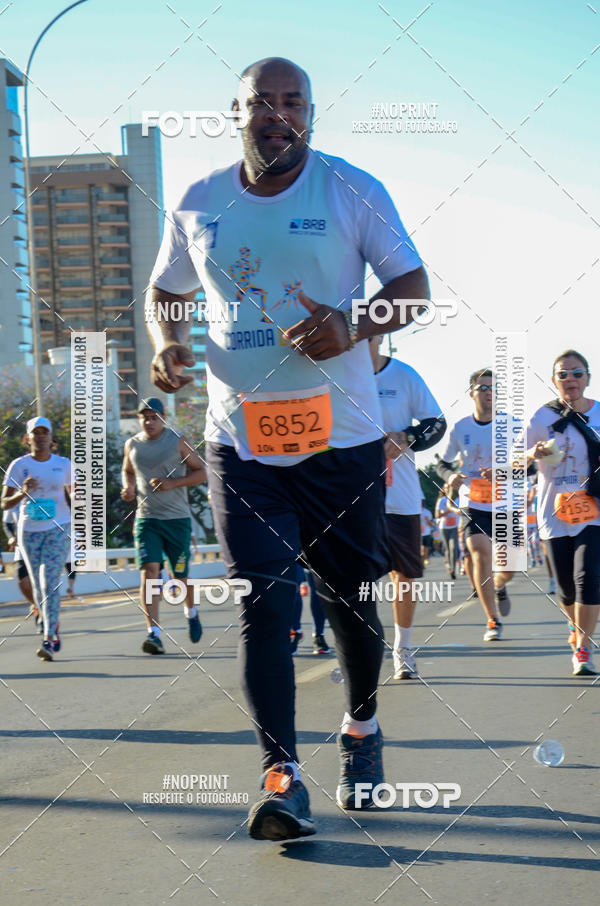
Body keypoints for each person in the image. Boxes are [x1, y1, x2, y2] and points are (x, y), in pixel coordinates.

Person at [145, 57, 430, 840]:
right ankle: (282, 776)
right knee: (264, 605)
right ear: (235, 112)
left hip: (343, 442)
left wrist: (355, 325)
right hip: (240, 442)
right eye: (262, 102)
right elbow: (166, 290)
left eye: (293, 102)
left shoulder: (350, 189)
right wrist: (167, 343)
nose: (278, 115)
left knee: (350, 601)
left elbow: (413, 288)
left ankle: (362, 726)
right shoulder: (199, 198)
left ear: (310, 113)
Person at [369, 335, 446, 679]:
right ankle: (362, 647)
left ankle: (403, 647)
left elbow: (436, 423)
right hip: (352, 497)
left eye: (369, 332)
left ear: (379, 335)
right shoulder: (335, 374)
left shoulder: (403, 375)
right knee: (355, 577)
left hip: (399, 496)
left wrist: (407, 436)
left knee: (404, 576)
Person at [527, 350, 600, 675]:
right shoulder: (542, 417)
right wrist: (533, 452)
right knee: (567, 587)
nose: (571, 379)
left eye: (577, 373)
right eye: (563, 374)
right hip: (553, 511)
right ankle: (574, 625)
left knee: (589, 577)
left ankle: (583, 648)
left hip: (592, 509)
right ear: (554, 380)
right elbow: (514, 458)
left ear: (587, 378)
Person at [121, 398, 207, 654]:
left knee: (179, 576)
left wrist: (173, 483)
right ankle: (154, 634)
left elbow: (202, 472)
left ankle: (191, 612)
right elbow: (128, 470)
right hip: (147, 519)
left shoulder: (178, 441)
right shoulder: (132, 444)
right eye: (144, 417)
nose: (149, 422)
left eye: (154, 417)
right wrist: (128, 487)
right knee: (149, 572)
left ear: (163, 418)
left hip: (177, 520)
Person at [436, 369, 515, 641]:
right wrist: (451, 476)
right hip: (474, 502)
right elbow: (442, 463)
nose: (488, 392)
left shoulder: (511, 425)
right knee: (480, 553)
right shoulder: (461, 428)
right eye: (482, 388)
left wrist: (503, 471)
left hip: (506, 503)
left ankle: (499, 584)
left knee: (508, 568)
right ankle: (492, 620)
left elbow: (528, 465)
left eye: (493, 388)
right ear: (471, 393)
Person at [1, 417, 72, 660]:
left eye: (44, 433)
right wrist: (23, 491)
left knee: (48, 582)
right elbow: (4, 503)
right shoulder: (18, 466)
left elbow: (76, 496)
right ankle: (51, 622)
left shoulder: (63, 464)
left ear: (51, 439)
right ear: (27, 438)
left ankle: (48, 638)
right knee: (38, 586)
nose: (40, 437)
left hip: (58, 527)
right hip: (29, 531)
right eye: (35, 433)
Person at [435, 485, 459, 580]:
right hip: (444, 527)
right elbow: (437, 515)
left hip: (455, 526)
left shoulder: (457, 499)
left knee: (453, 547)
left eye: (450, 487)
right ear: (444, 490)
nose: (448, 489)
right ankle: (449, 565)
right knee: (448, 548)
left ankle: (453, 569)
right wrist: (448, 511)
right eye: (446, 488)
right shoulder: (441, 500)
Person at [420, 500, 434, 566]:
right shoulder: (415, 511)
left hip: (426, 534)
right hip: (418, 534)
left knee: (424, 551)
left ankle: (422, 564)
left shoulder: (427, 512)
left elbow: (431, 525)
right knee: (421, 552)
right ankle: (421, 564)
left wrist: (427, 520)